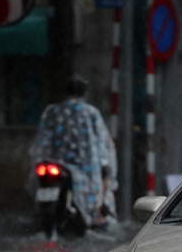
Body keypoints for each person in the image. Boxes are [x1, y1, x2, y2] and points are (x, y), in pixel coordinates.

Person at [29, 76, 118, 228]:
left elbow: (42, 137)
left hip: (52, 161)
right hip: (82, 166)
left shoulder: (52, 110)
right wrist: (105, 161)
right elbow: (103, 142)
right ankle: (95, 213)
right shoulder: (90, 112)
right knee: (102, 175)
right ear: (84, 93)